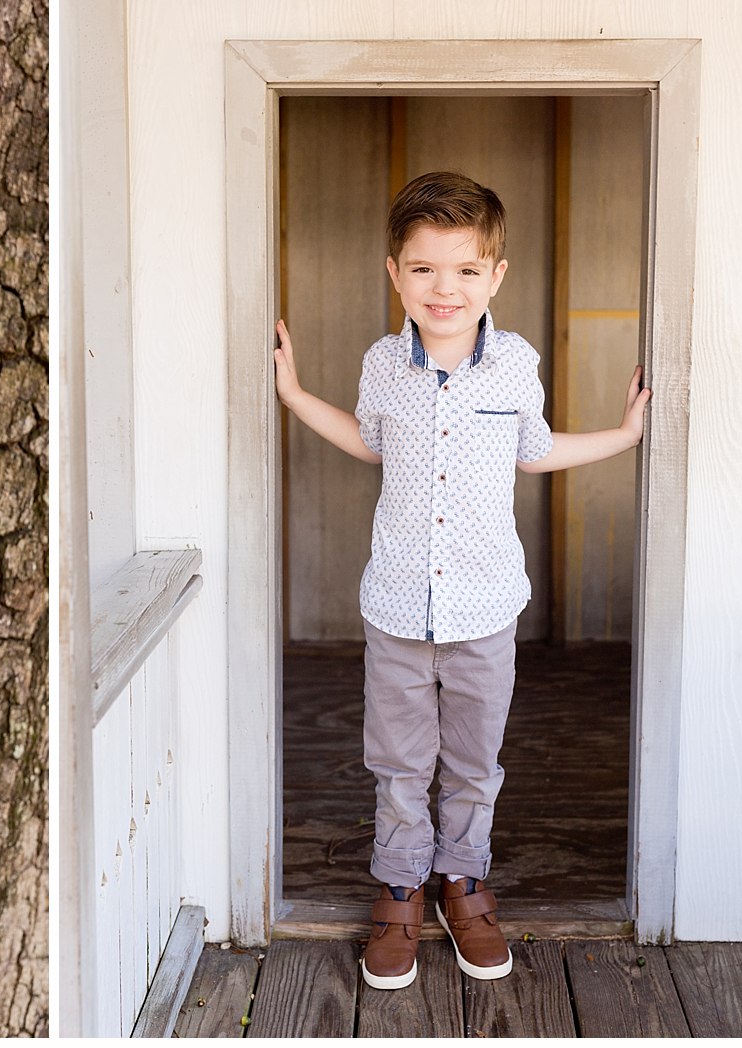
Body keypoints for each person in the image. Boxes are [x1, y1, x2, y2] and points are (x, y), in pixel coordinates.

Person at [273, 171, 649, 990]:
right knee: (399, 763)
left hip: (485, 609)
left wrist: (624, 436)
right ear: (394, 273)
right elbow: (374, 445)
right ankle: (401, 887)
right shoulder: (382, 365)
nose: (445, 289)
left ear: (496, 277)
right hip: (399, 607)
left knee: (477, 762)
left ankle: (464, 881)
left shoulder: (516, 364)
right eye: (425, 270)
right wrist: (297, 395)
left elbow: (536, 449)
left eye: (467, 271)